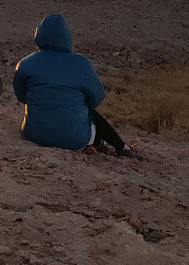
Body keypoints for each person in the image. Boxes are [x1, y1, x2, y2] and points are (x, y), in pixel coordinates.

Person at [13, 13, 138, 157]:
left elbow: (22, 96)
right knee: (89, 112)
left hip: (34, 134)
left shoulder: (25, 63)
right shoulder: (81, 64)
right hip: (74, 141)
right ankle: (122, 148)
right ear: (67, 37)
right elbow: (96, 98)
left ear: (39, 35)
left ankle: (104, 144)